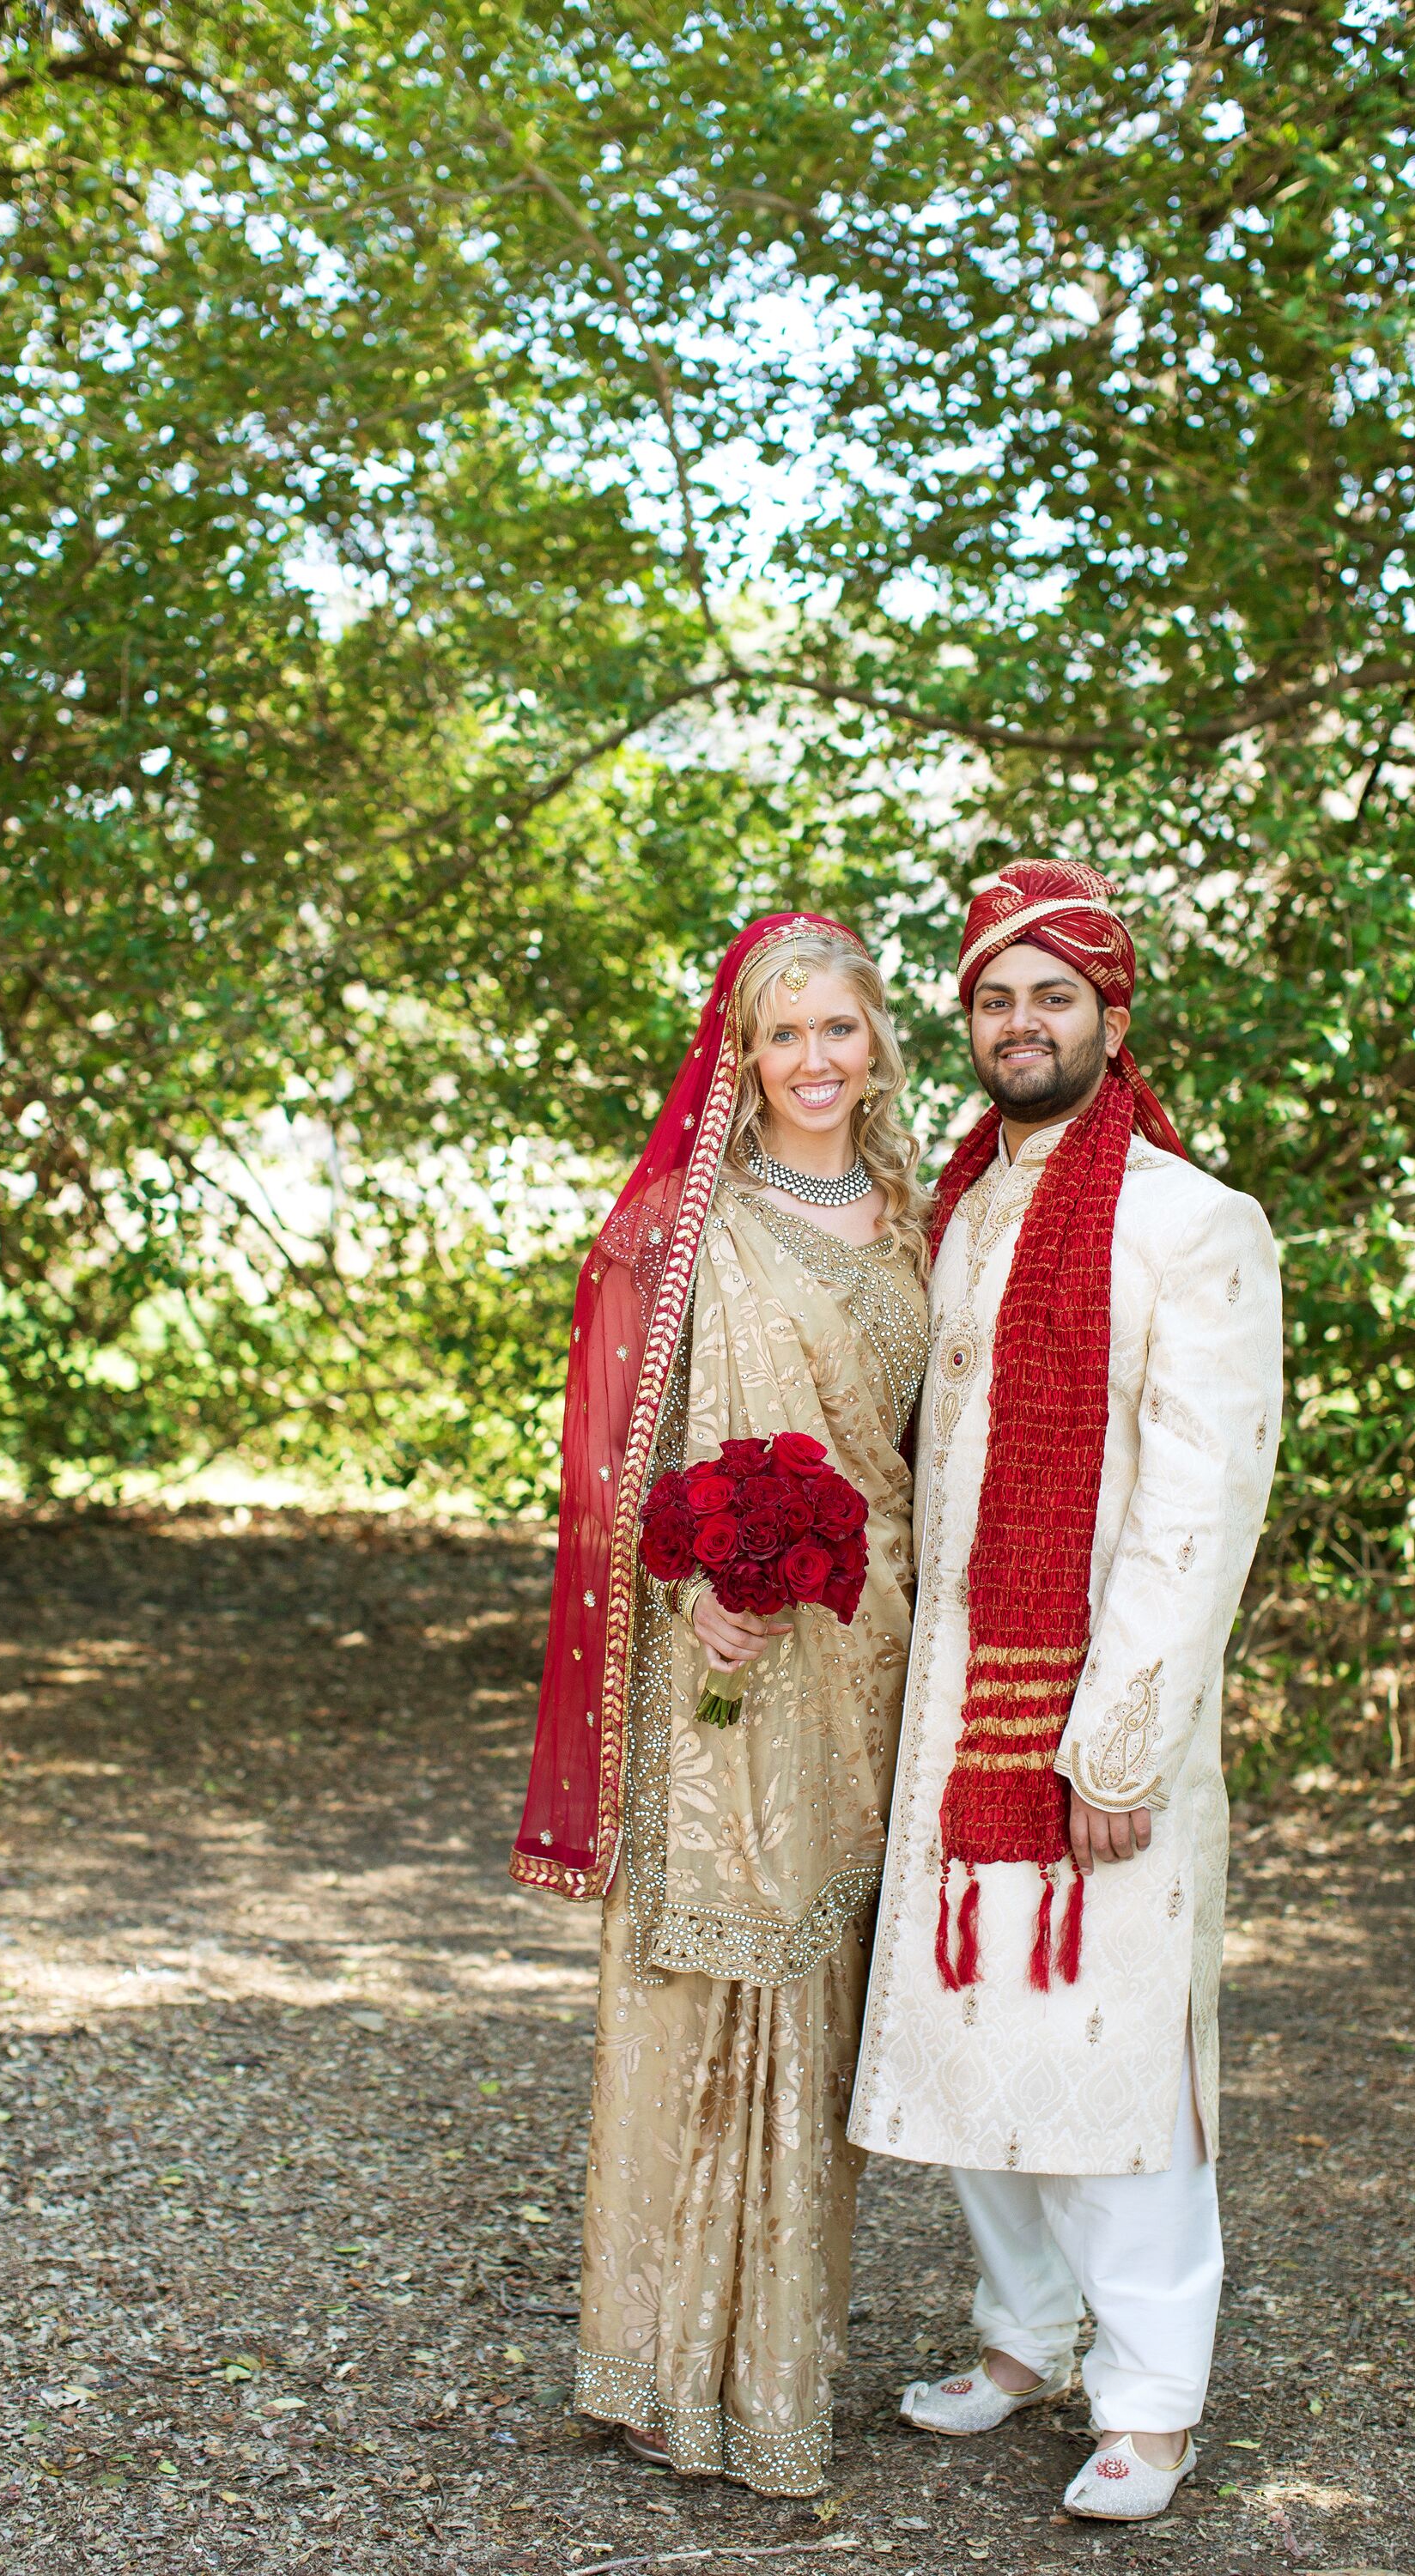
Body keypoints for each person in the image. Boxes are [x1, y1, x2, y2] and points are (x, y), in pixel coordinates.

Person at [848, 859, 1282, 2524]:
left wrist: (1116, 1740)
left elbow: (1202, 1506)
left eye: (1053, 995)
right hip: (949, 1711)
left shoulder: (1189, 1220)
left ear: (1112, 1014)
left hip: (1098, 1718)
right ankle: (1020, 2337)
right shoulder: (954, 1206)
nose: (1019, 1024)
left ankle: (1150, 2399)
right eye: (991, 997)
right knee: (973, 2053)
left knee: (1116, 2065)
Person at [512, 914, 930, 2495]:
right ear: (740, 1056)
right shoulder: (688, 1226)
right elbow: (629, 1446)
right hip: (723, 1648)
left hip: (871, 1641)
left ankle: (776, 2362)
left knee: (813, 1987)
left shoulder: (916, 1217)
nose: (817, 1061)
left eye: (843, 1031)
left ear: (877, 1045)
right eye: (786, 1035)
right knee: (706, 1977)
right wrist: (695, 1578)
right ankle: (657, 2364)